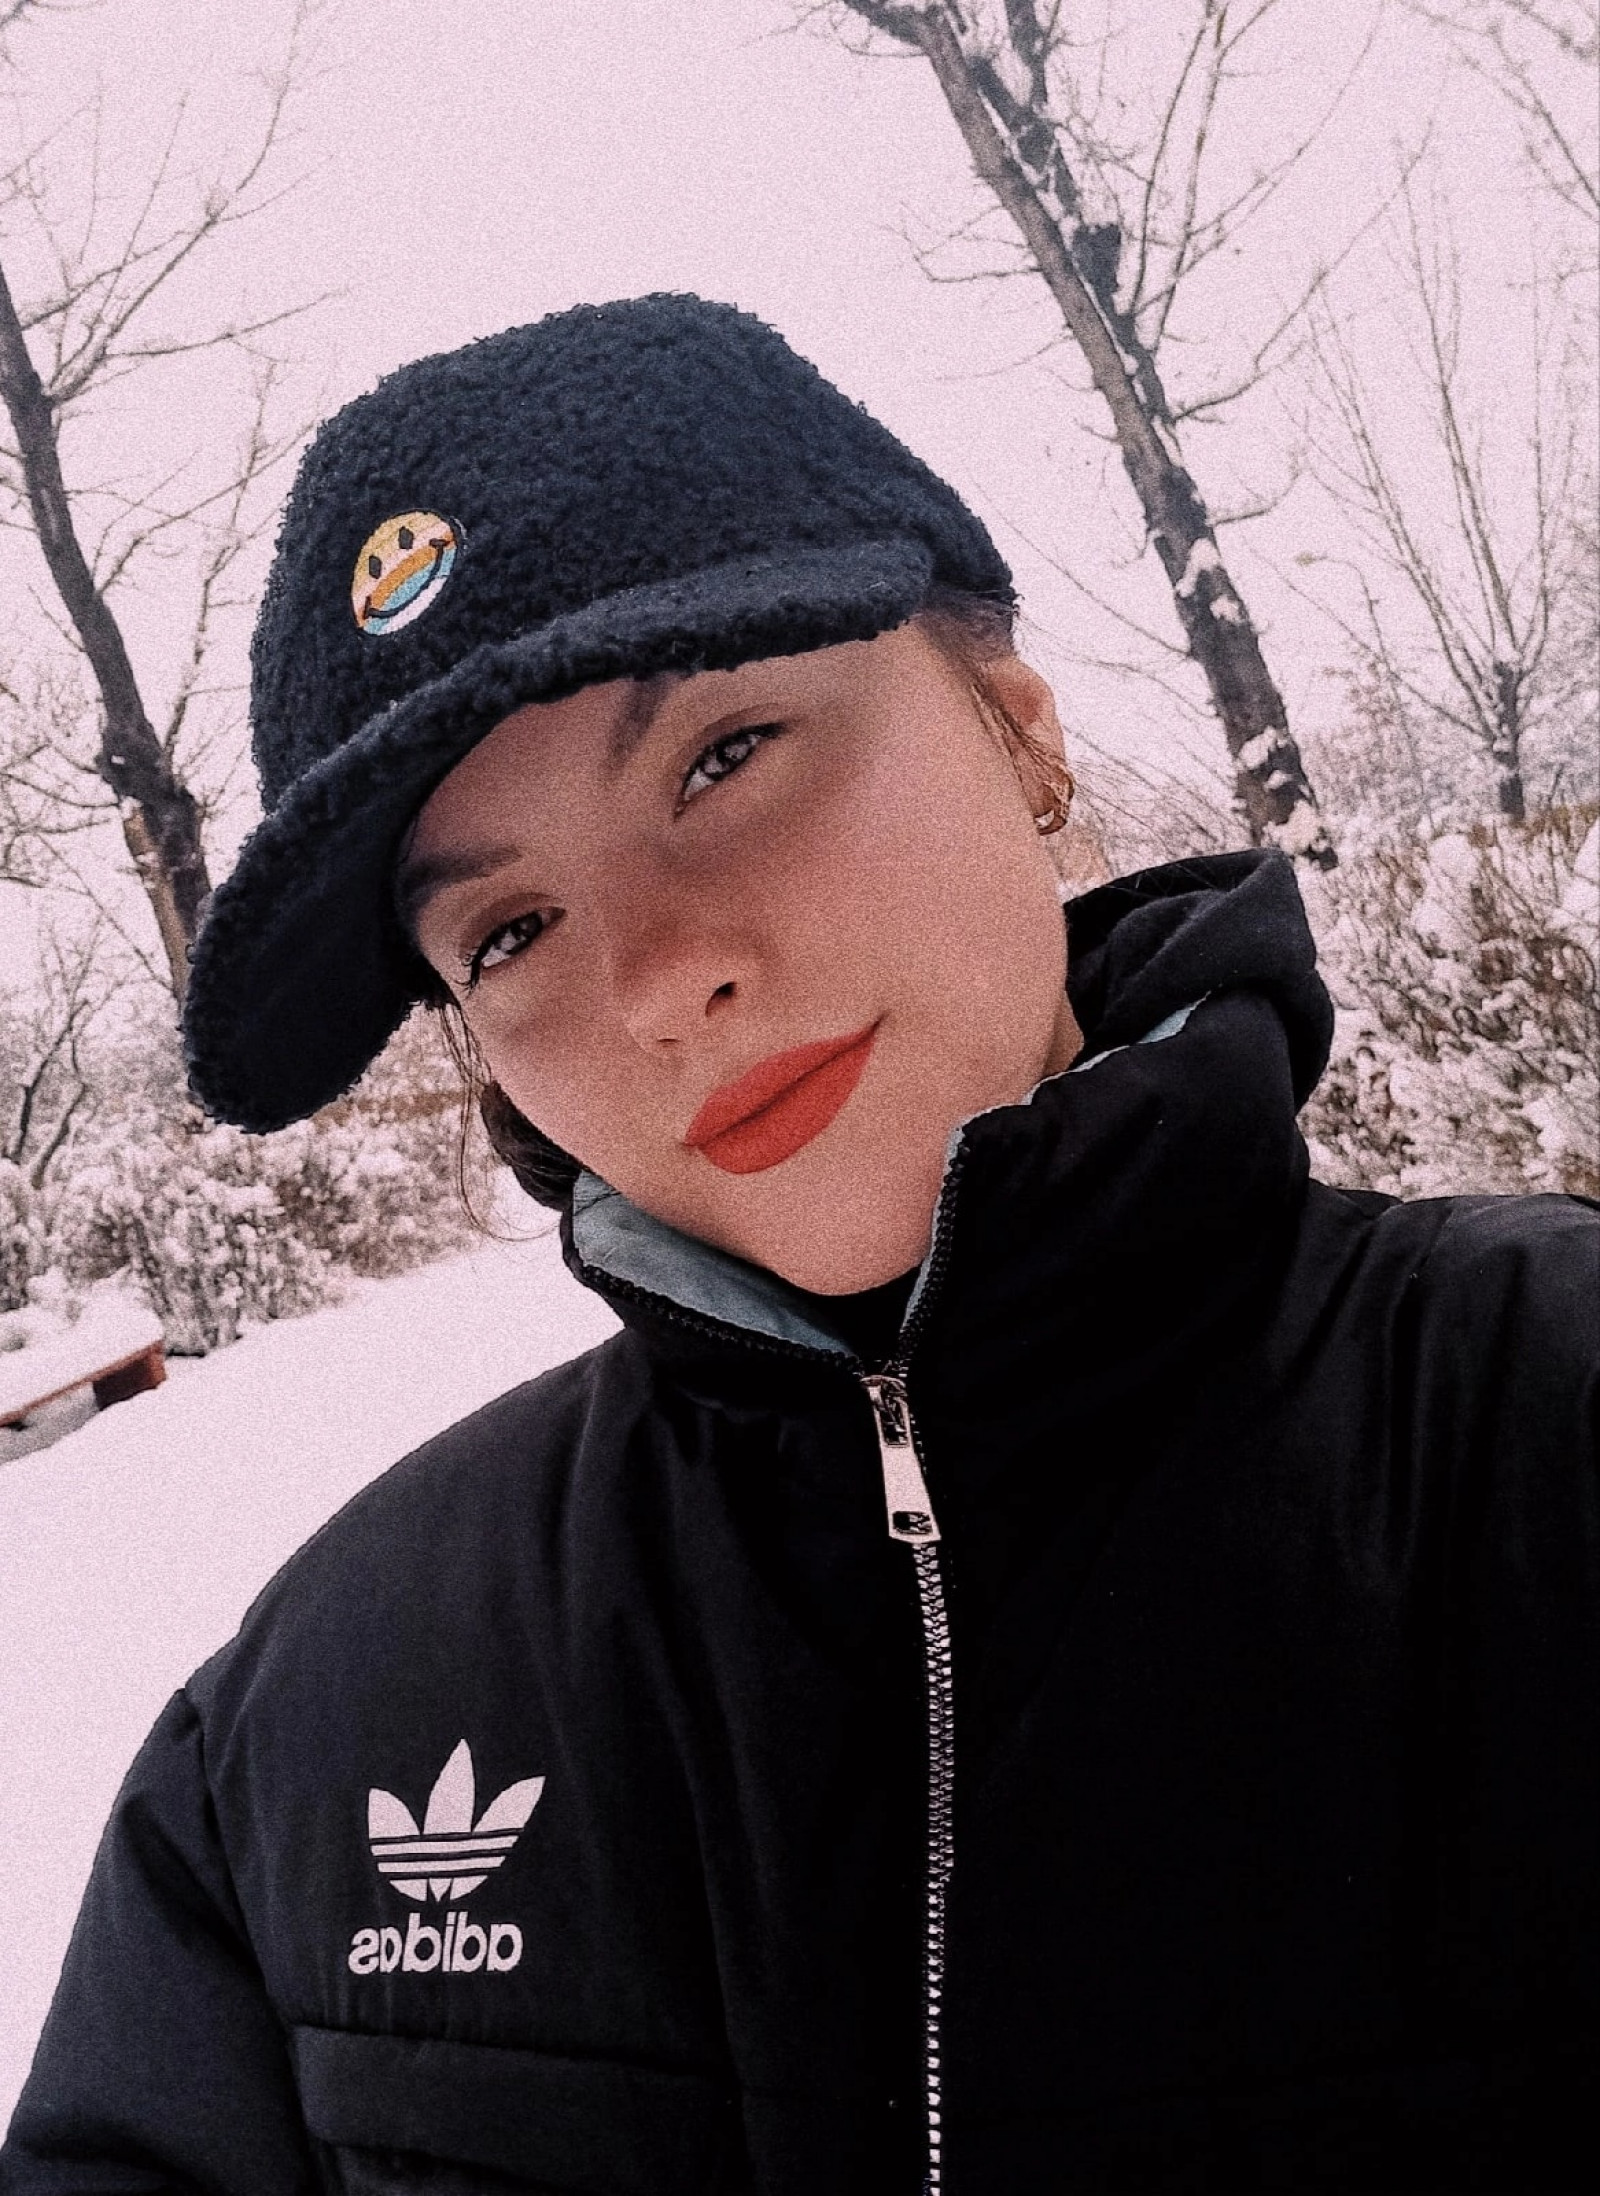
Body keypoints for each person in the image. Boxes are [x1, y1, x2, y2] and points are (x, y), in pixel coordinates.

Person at [2, 295, 1595, 2196]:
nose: (661, 983)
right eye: (508, 934)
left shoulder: (1544, 1422)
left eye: (724, 756)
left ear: (1018, 731)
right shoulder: (305, 1737)